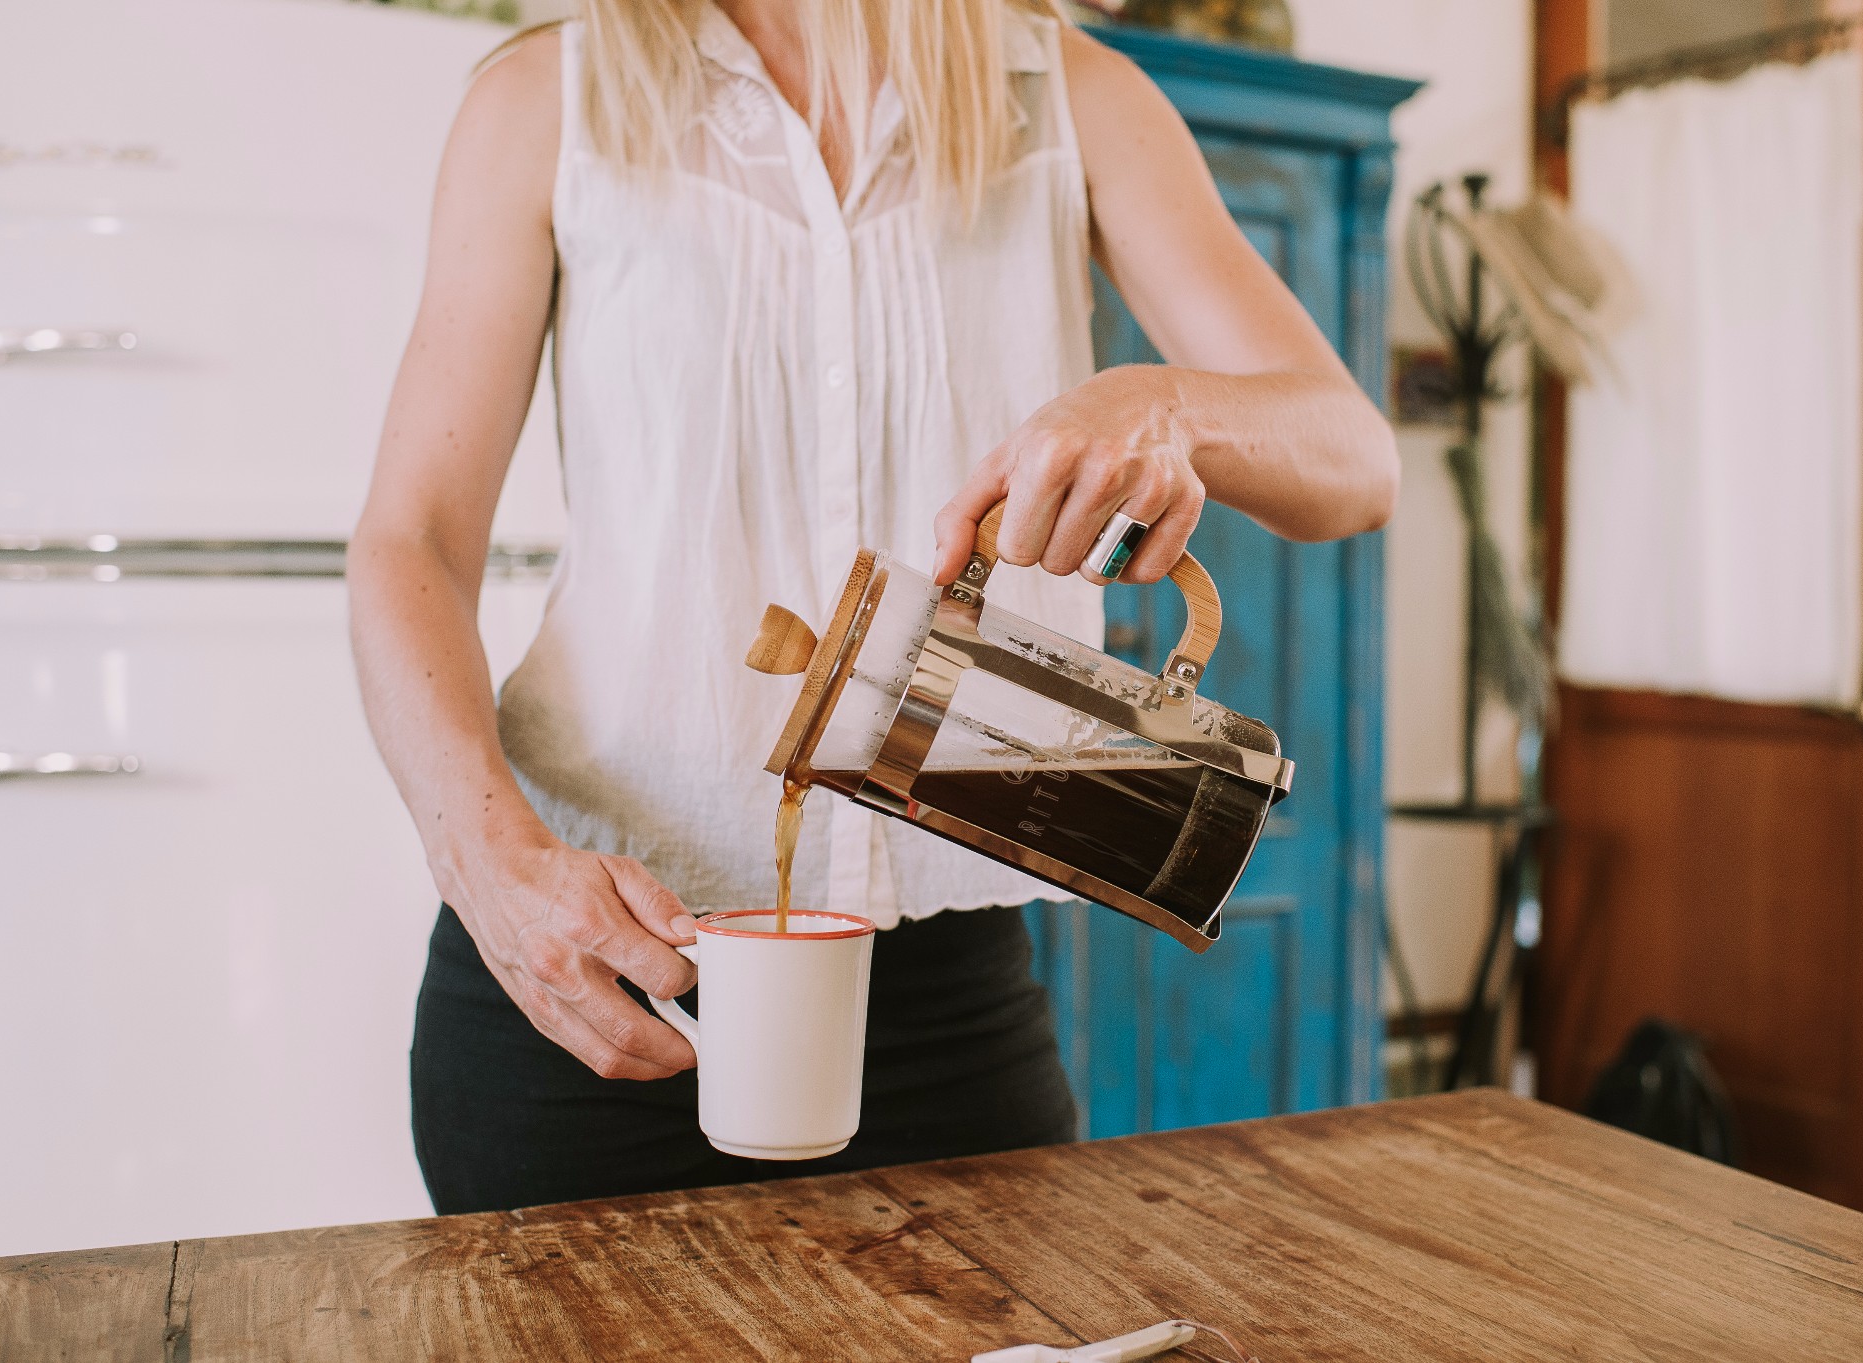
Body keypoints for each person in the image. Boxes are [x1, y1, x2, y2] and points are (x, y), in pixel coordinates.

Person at [348, 0, 1397, 1215]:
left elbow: (1354, 460)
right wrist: (487, 862)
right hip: (595, 980)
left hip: (943, 1004)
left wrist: (1166, 403)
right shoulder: (547, 96)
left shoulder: (1067, 93)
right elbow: (409, 539)